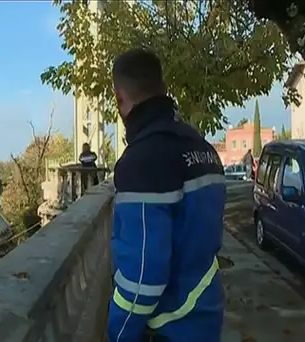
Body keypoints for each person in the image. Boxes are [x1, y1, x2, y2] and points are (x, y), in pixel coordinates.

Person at [108, 48, 225, 342]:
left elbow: (142, 280)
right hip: (206, 319)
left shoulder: (142, 161)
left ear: (119, 98)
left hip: (169, 329)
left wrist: (118, 334)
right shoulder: (203, 149)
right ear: (163, 88)